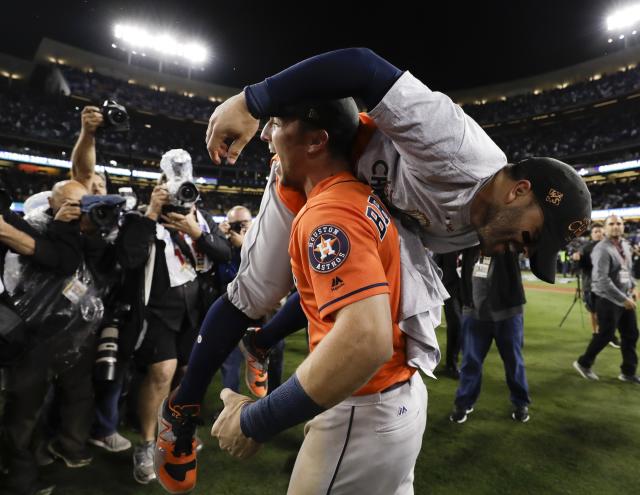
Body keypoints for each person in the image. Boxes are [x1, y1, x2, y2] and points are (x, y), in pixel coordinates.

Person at [155, 48, 592, 493]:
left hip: (366, 207)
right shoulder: (458, 146)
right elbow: (362, 66)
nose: (521, 252)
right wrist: (253, 102)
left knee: (353, 298)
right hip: (320, 164)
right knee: (252, 296)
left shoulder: (482, 227)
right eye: (531, 238)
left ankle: (262, 344)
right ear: (518, 191)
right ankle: (182, 408)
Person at [115, 150, 232, 485]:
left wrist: (196, 232)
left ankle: (172, 431)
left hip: (195, 311)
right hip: (158, 311)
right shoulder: (145, 216)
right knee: (161, 373)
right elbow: (130, 257)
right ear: (160, 186)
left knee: (185, 373)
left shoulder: (201, 217)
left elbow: (223, 253)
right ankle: (147, 444)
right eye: (172, 185)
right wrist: (152, 212)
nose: (180, 194)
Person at [449, 248, 530, 424]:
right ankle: (463, 403)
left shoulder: (509, 243)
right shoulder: (468, 243)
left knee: (514, 361)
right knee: (470, 361)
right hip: (474, 312)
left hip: (508, 312)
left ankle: (521, 403)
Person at [573, 215, 639, 383]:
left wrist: (633, 286)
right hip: (608, 299)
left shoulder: (624, 245)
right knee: (606, 334)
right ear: (605, 228)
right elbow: (601, 279)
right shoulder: (601, 249)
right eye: (611, 224)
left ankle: (628, 372)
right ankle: (583, 363)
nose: (616, 226)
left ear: (624, 226)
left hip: (624, 297)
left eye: (619, 223)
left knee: (631, 334)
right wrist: (623, 299)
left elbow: (627, 270)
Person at [571, 223, 622, 347]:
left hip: (608, 285)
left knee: (610, 311)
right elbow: (576, 269)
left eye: (600, 231)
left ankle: (610, 335)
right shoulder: (585, 248)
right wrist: (576, 260)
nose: (599, 233)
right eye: (596, 231)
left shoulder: (611, 246)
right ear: (592, 234)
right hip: (590, 285)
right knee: (593, 311)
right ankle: (595, 334)